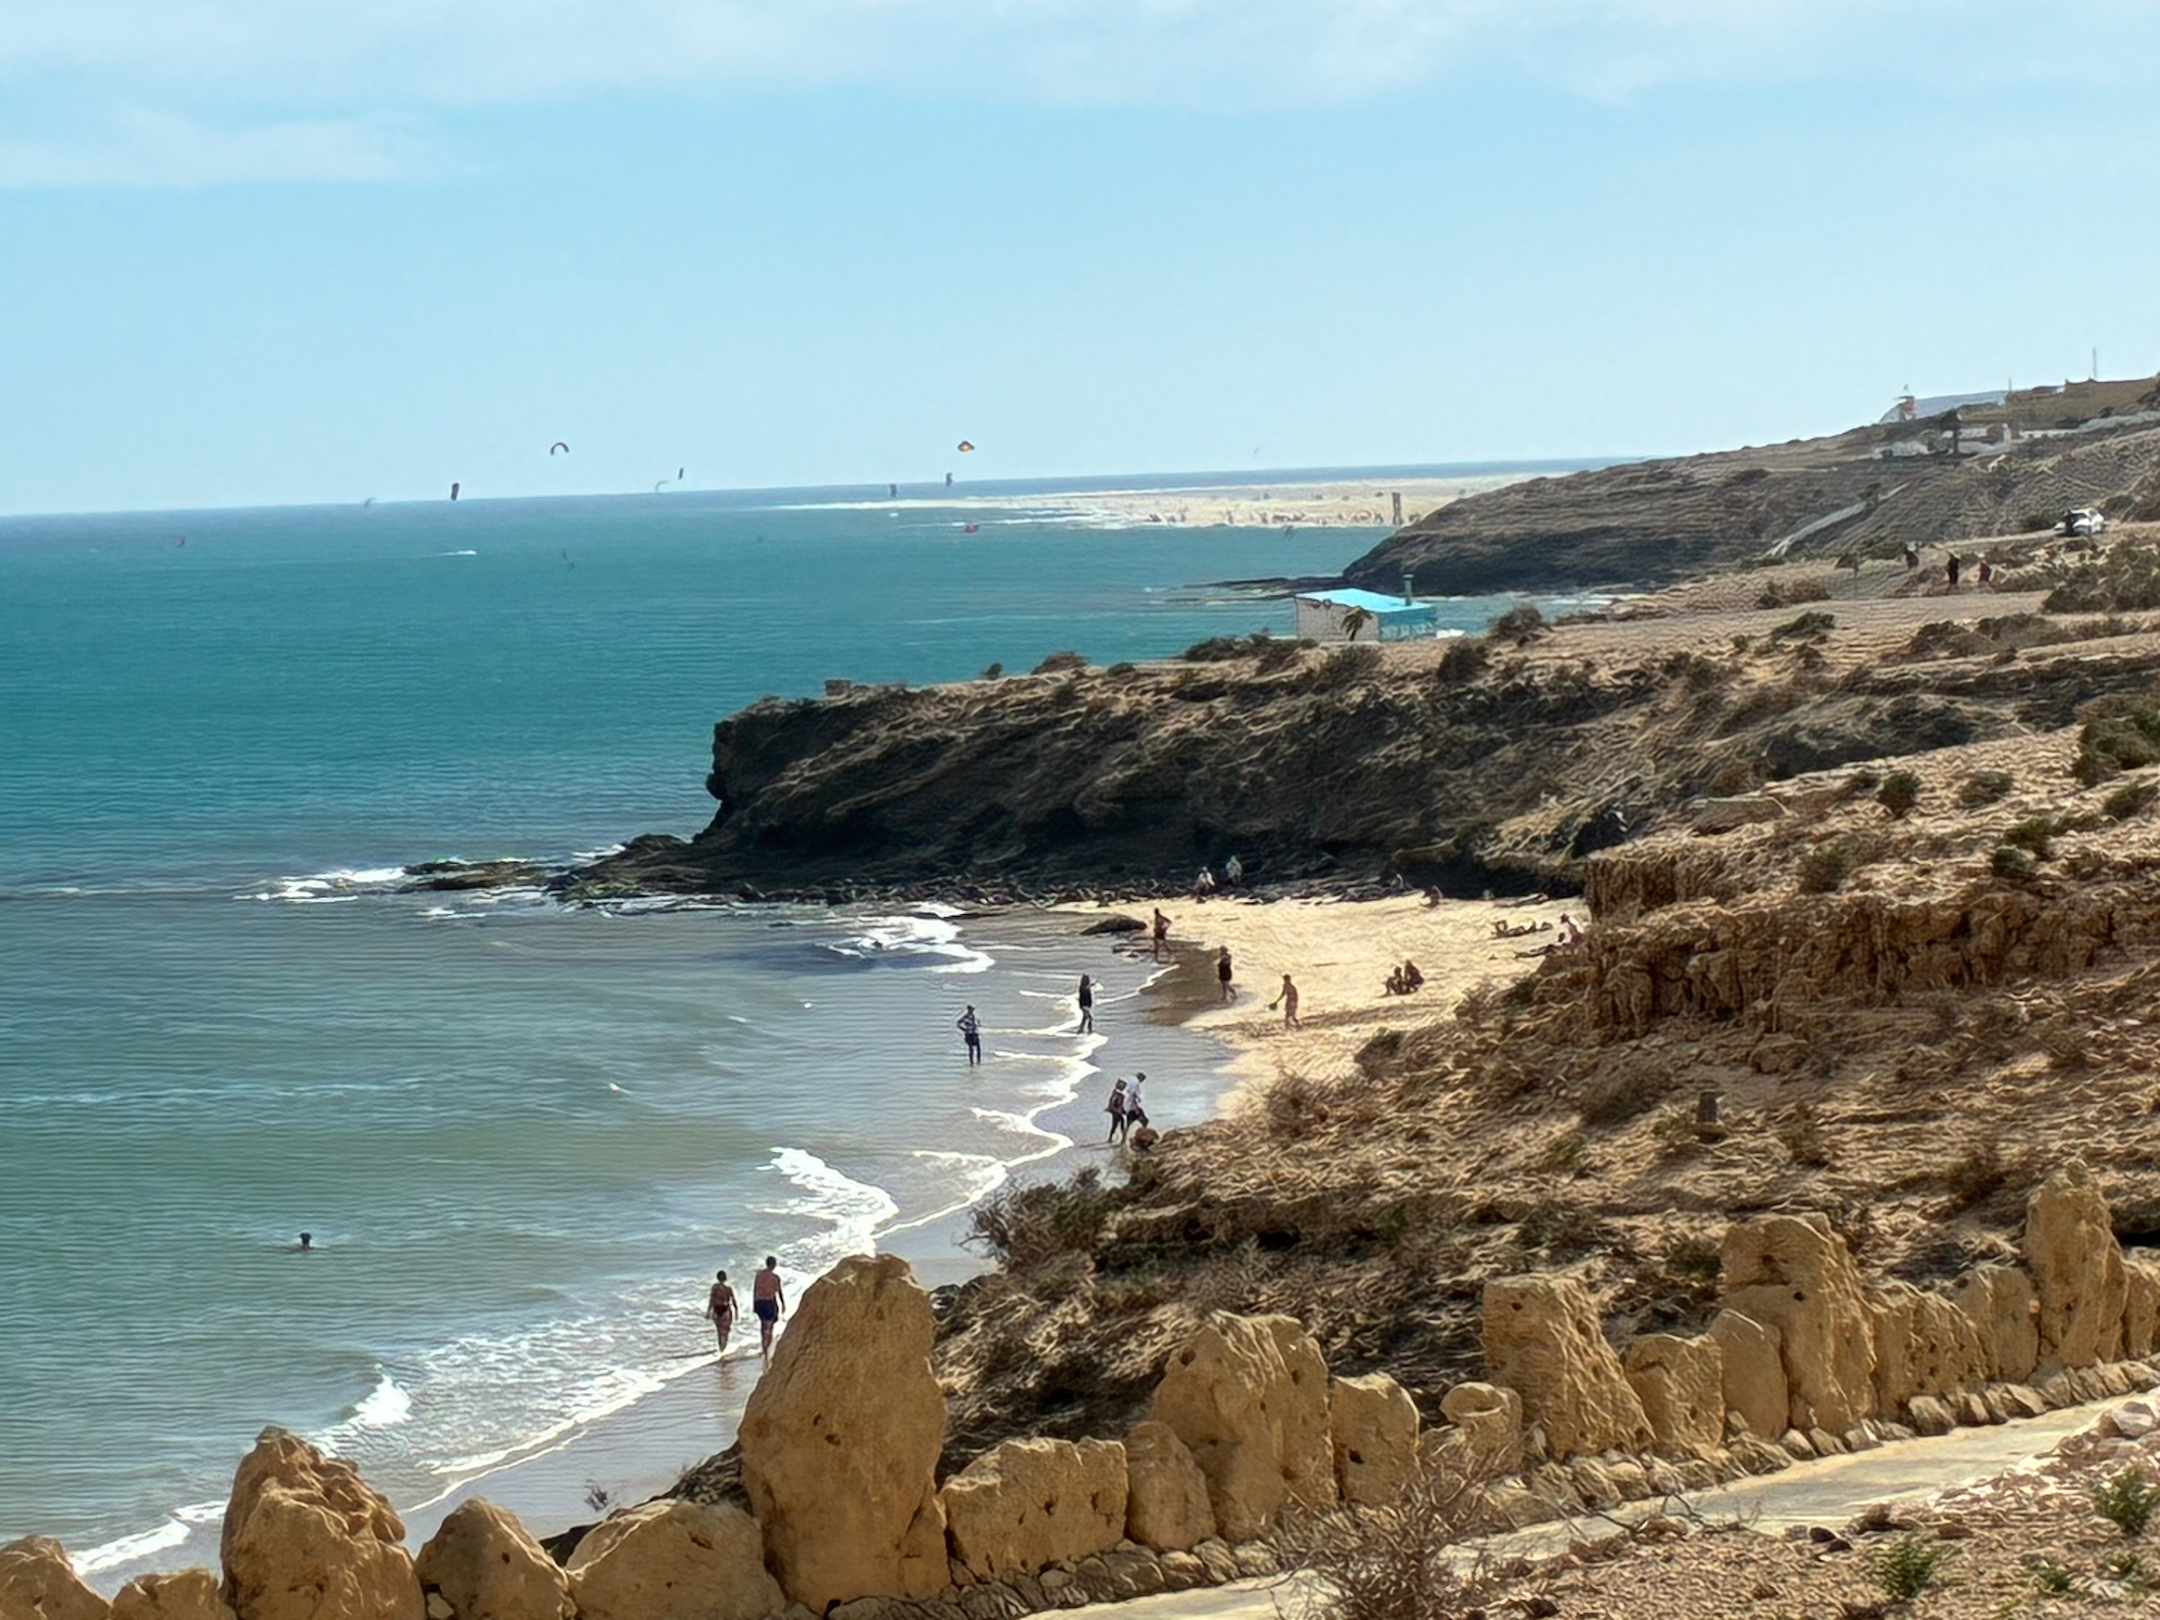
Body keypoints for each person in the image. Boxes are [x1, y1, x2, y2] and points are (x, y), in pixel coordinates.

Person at [752, 1257, 786, 1355]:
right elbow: (779, 1292)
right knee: (770, 1326)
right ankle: (767, 1349)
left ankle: (764, 1347)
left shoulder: (758, 1275)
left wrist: (754, 1304)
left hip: (759, 1302)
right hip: (769, 1303)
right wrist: (783, 1303)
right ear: (774, 1265)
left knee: (763, 1325)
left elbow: (755, 1290)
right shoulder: (775, 1278)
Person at [706, 1269, 738, 1354]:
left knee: (719, 1332)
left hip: (716, 1310)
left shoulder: (714, 1287)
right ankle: (724, 1348)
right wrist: (736, 1311)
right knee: (726, 1331)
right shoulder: (728, 1288)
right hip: (726, 1310)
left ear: (717, 1278)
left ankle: (721, 1349)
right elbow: (733, 1300)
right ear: (725, 1278)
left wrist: (708, 1311)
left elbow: (711, 1300)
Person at [1105, 1077, 1129, 1144]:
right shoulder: (1118, 1094)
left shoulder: (1116, 1093)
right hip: (1116, 1111)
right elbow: (1115, 1103)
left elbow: (1116, 1103)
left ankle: (1110, 1139)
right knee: (1121, 1124)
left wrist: (1123, 1111)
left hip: (1116, 1111)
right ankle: (1123, 1139)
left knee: (1115, 1125)